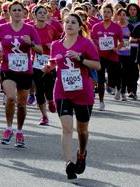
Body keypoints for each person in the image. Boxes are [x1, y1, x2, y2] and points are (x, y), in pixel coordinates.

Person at [46, 11, 100, 180]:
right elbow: (53, 62)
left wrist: (81, 59)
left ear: (79, 27)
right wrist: (48, 67)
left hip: (83, 91)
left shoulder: (86, 44)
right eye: (67, 22)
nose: (69, 25)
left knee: (82, 131)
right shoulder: (56, 45)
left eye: (73, 23)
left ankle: (82, 153)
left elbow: (97, 65)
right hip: (62, 91)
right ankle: (69, 163)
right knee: (67, 128)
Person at [0, 0, 42, 147]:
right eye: (13, 10)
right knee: (10, 98)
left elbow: (40, 50)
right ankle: (8, 128)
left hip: (25, 70)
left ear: (24, 13)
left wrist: (31, 43)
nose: (16, 12)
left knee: (22, 104)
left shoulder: (30, 29)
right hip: (7, 68)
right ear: (8, 13)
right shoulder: (2, 28)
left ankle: (20, 131)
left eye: (19, 10)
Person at [89, 1, 124, 111]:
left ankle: (112, 86)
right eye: (104, 12)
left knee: (114, 77)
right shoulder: (96, 27)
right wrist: (96, 46)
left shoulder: (116, 27)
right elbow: (93, 40)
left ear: (112, 13)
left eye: (108, 12)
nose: (106, 14)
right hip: (100, 56)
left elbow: (122, 42)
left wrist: (116, 48)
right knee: (100, 80)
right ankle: (101, 101)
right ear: (101, 12)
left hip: (113, 56)